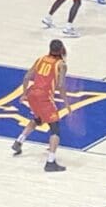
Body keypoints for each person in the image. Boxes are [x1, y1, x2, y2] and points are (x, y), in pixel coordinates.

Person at [10, 39, 69, 172]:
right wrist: (66, 103)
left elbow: (26, 77)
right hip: (44, 98)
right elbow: (60, 85)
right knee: (55, 129)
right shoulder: (61, 65)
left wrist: (24, 94)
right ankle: (50, 162)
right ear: (61, 50)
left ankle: (19, 141)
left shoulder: (40, 59)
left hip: (32, 95)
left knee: (38, 119)